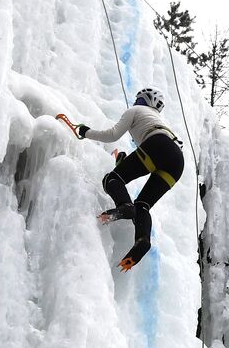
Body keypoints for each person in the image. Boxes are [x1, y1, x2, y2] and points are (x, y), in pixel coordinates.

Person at [73, 87, 185, 271]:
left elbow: (112, 135)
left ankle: (125, 206)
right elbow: (147, 154)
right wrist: (124, 163)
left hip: (157, 146)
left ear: (143, 100)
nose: (135, 103)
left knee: (112, 179)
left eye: (138, 100)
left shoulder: (135, 111)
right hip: (177, 161)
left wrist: (86, 132)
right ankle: (142, 240)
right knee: (143, 205)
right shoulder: (157, 120)